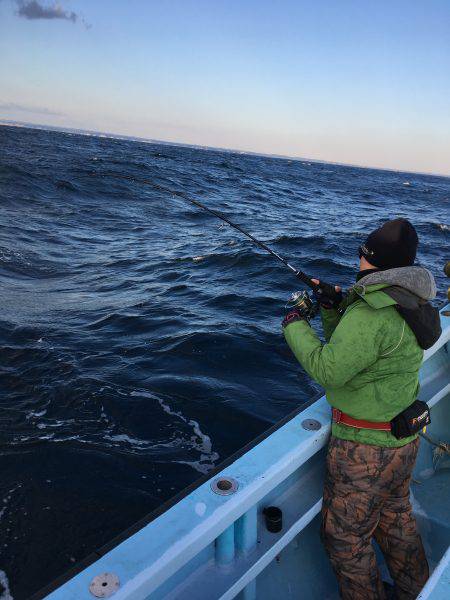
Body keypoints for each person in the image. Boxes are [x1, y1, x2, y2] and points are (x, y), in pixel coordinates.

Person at [282, 218, 442, 600]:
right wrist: (334, 308)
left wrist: (293, 323)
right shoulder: (408, 300)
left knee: (344, 541)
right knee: (396, 521)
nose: (359, 259)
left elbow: (328, 369)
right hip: (402, 439)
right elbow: (365, 351)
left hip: (363, 448)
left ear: (373, 260)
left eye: (364, 253)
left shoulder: (371, 313)